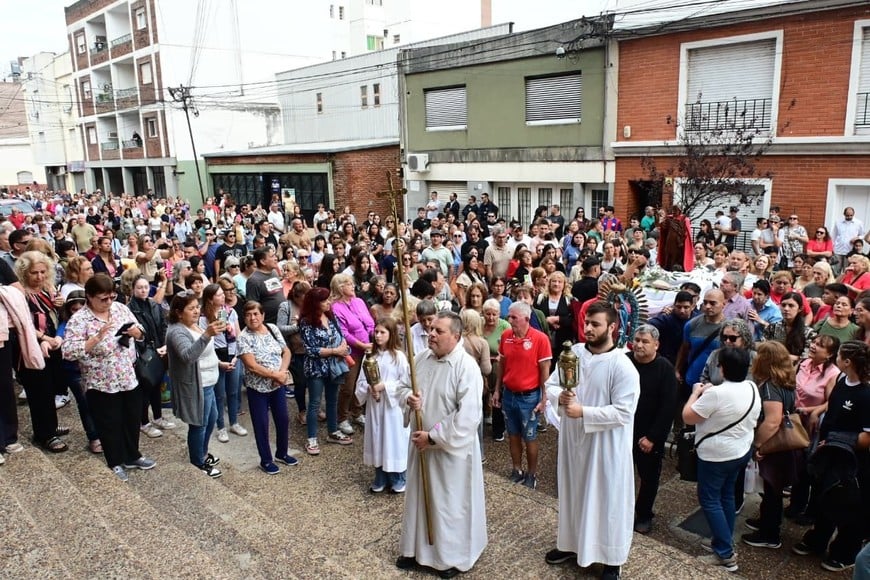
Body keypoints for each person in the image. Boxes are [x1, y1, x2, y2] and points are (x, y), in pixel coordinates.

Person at [543, 302, 639, 580]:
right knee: (574, 494)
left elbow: (624, 411)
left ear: (612, 327)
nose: (588, 328)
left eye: (595, 324)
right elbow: (552, 384)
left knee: (606, 500)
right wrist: (559, 396)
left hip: (605, 447)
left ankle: (611, 559)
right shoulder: (572, 354)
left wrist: (583, 412)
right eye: (586, 322)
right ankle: (571, 545)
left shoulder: (622, 366)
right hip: (574, 443)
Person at [397, 311, 487, 579]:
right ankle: (415, 550)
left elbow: (468, 416)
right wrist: (409, 399)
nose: (431, 334)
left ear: (456, 336)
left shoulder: (466, 367)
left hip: (450, 453)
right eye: (431, 329)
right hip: (421, 447)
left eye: (439, 331)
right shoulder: (421, 359)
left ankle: (449, 557)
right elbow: (403, 387)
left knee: (449, 504)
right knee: (420, 498)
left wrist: (433, 437)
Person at [62, 274, 155, 481]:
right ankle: (114, 461)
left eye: (111, 297)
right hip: (101, 381)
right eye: (103, 299)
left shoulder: (120, 308)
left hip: (127, 375)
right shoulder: (80, 319)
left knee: (131, 418)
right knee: (109, 422)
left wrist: (135, 332)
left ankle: (133, 455)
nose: (108, 302)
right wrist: (95, 339)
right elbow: (68, 351)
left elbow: (141, 330)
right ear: (90, 296)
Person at [793, 341, 870, 572]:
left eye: (839, 356)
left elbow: (867, 437)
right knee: (824, 497)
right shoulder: (840, 380)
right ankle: (818, 539)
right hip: (828, 454)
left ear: (848, 362)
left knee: (848, 504)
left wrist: (840, 442)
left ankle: (845, 552)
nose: (835, 358)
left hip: (852, 461)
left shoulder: (866, 393)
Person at [682, 347, 761, 573]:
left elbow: (688, 415)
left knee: (709, 499)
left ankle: (726, 554)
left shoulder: (715, 394)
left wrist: (695, 393)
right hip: (740, 451)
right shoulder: (751, 386)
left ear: (722, 368)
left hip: (716, 455)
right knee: (727, 495)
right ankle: (723, 540)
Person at [741, 341, 800, 551]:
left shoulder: (770, 386)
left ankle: (770, 533)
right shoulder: (786, 381)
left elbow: (772, 421)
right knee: (772, 489)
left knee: (772, 489)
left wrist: (758, 444)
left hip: (774, 446)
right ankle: (766, 522)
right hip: (785, 445)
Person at [492, 302, 552, 489]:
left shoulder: (540, 339)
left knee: (530, 436)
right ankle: (517, 469)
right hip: (509, 395)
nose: (509, 321)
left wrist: (544, 398)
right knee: (513, 435)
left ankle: (532, 473)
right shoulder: (506, 336)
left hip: (529, 397)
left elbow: (544, 371)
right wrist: (497, 389)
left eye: (513, 318)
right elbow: (502, 364)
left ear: (526, 319)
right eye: (509, 317)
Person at [165, 292, 224, 479]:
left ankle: (203, 453)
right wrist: (207, 334)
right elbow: (188, 356)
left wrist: (221, 364)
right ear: (178, 312)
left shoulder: (193, 325)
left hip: (209, 381)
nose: (196, 311)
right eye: (191, 308)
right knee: (199, 424)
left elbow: (207, 352)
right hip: (197, 385)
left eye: (197, 307)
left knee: (211, 418)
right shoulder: (176, 331)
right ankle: (197, 461)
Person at [16, 250, 68, 451]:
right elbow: (24, 323)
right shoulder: (20, 293)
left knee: (52, 387)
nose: (39, 277)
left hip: (53, 343)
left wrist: (57, 334)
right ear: (24, 273)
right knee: (40, 391)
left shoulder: (49, 288)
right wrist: (44, 338)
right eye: (34, 273)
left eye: (42, 272)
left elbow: (60, 317)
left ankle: (51, 427)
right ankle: (45, 434)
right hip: (31, 347)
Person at [629, 324, 678, 535]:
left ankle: (644, 514)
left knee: (648, 477)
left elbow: (668, 408)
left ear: (656, 344)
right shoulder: (626, 361)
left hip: (648, 433)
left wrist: (653, 437)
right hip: (623, 428)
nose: (639, 345)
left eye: (645, 341)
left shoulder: (665, 369)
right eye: (637, 340)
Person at [238, 301, 296, 474]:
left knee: (283, 419)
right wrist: (275, 375)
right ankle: (266, 459)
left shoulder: (272, 328)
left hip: (277, 384)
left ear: (262, 315)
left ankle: (282, 452)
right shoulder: (243, 337)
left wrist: (282, 373)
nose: (252, 318)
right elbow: (252, 366)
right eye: (248, 315)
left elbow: (286, 351)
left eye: (256, 314)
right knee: (261, 423)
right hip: (258, 388)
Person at [354, 317, 411, 493]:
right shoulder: (370, 357)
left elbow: (405, 381)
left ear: (391, 334)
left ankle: (398, 477)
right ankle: (380, 476)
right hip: (375, 406)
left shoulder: (399, 357)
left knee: (393, 440)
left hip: (392, 408)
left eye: (382, 332)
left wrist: (385, 386)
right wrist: (369, 388)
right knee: (377, 439)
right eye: (376, 332)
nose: (378, 335)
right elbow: (362, 380)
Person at [300, 286, 354, 454]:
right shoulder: (306, 322)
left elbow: (341, 336)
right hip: (316, 368)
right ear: (315, 303)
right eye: (325, 300)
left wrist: (343, 348)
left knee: (332, 399)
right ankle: (312, 438)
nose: (329, 302)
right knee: (315, 402)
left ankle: (333, 431)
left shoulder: (331, 316)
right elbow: (310, 349)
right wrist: (334, 351)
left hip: (334, 365)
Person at [127, 276, 175, 439]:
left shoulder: (154, 304)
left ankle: (158, 417)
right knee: (145, 387)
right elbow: (134, 333)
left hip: (158, 349)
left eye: (146, 287)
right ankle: (144, 422)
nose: (143, 290)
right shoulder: (130, 308)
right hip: (143, 352)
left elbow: (163, 325)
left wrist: (164, 345)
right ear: (133, 289)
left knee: (157, 384)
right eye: (139, 287)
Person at [201, 283, 246, 443]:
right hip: (216, 356)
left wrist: (236, 356)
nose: (223, 296)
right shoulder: (203, 318)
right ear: (210, 299)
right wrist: (219, 362)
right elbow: (205, 343)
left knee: (233, 391)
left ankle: (234, 422)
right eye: (219, 295)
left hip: (232, 353)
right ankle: (220, 427)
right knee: (219, 394)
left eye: (222, 294)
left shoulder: (230, 312)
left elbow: (238, 334)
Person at [330, 273, 375, 436]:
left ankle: (357, 412)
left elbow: (370, 322)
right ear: (340, 288)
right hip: (352, 351)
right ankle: (342, 417)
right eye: (348, 284)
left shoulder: (359, 301)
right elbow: (344, 333)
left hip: (369, 348)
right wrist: (362, 345)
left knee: (366, 382)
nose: (352, 286)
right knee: (348, 386)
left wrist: (374, 337)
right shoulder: (335, 307)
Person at [246, 246, 284, 324]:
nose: (276, 258)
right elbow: (252, 306)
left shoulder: (274, 272)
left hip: (282, 319)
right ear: (263, 261)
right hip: (268, 323)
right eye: (272, 256)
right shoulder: (253, 280)